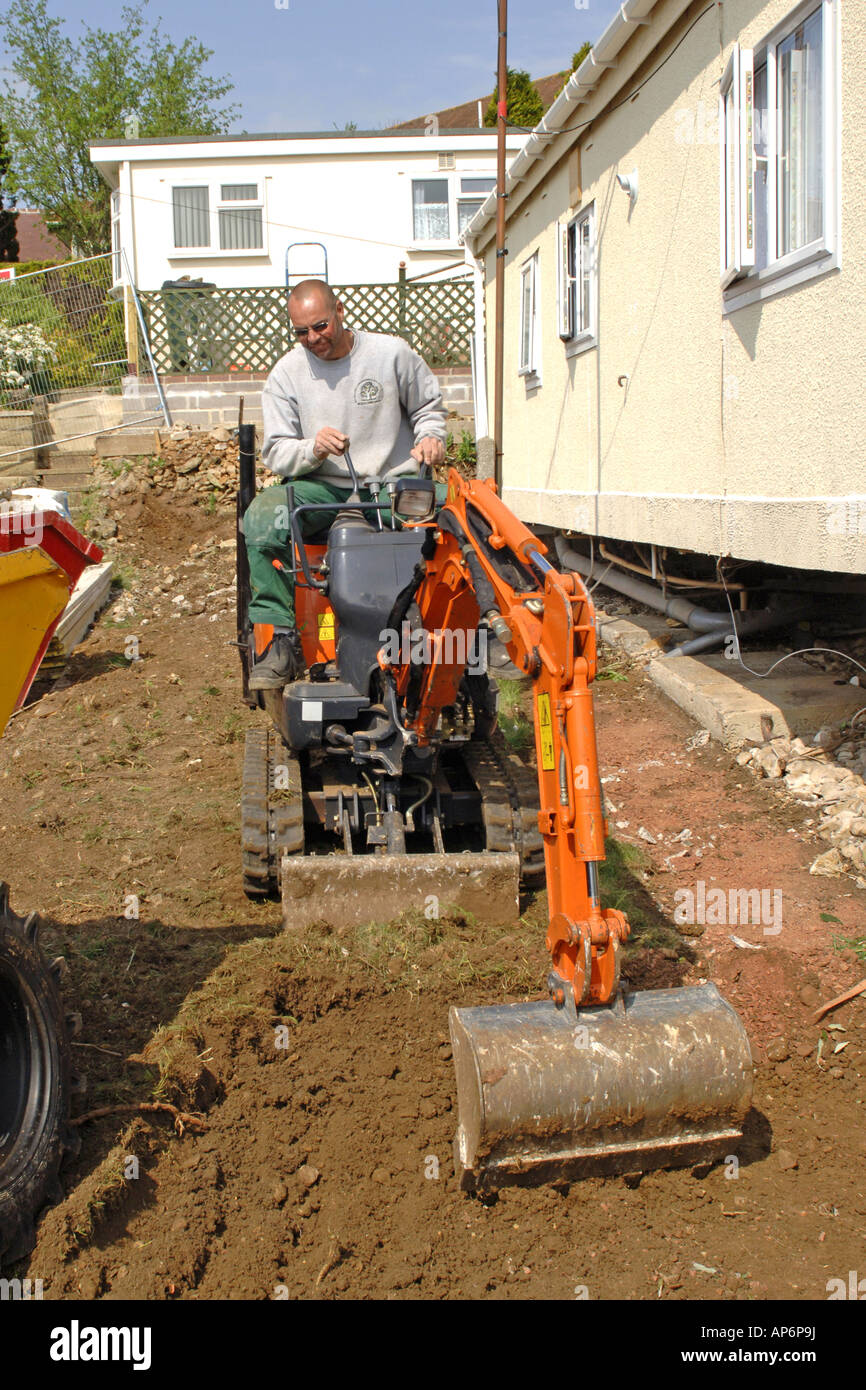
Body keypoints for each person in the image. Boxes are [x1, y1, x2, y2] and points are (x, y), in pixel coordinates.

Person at [243, 279, 448, 689]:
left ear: (339, 309)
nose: (313, 338)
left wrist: (430, 436)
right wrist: (312, 449)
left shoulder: (390, 354)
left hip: (392, 488)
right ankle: (280, 642)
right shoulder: (287, 374)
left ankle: (478, 630)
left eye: (320, 326)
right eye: (301, 332)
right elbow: (277, 451)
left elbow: (428, 407)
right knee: (264, 518)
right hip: (324, 491)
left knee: (463, 515)